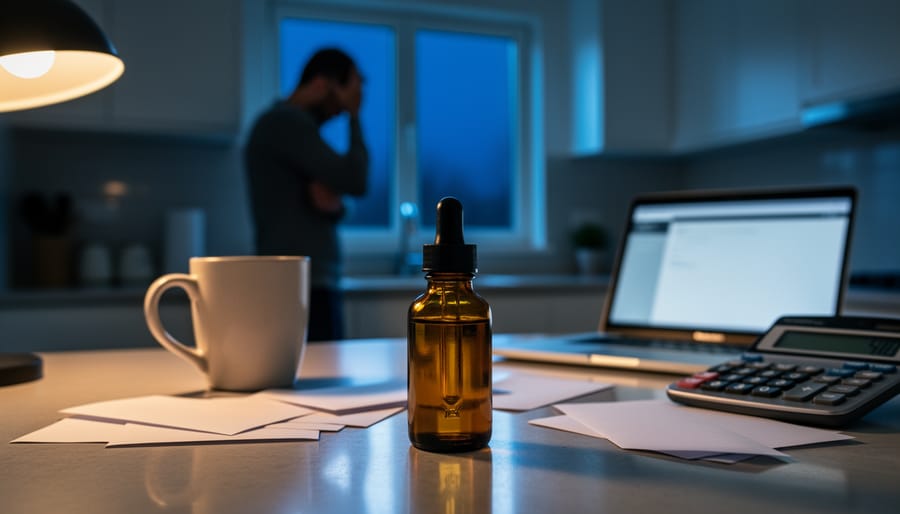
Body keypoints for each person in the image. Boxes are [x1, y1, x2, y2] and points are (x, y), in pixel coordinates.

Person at [244, 48, 368, 341]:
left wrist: (337, 208)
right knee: (318, 377)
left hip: (303, 280)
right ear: (321, 85)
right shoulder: (286, 123)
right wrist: (355, 116)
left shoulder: (291, 129)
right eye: (340, 100)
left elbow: (333, 197)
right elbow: (355, 179)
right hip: (298, 283)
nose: (339, 111)